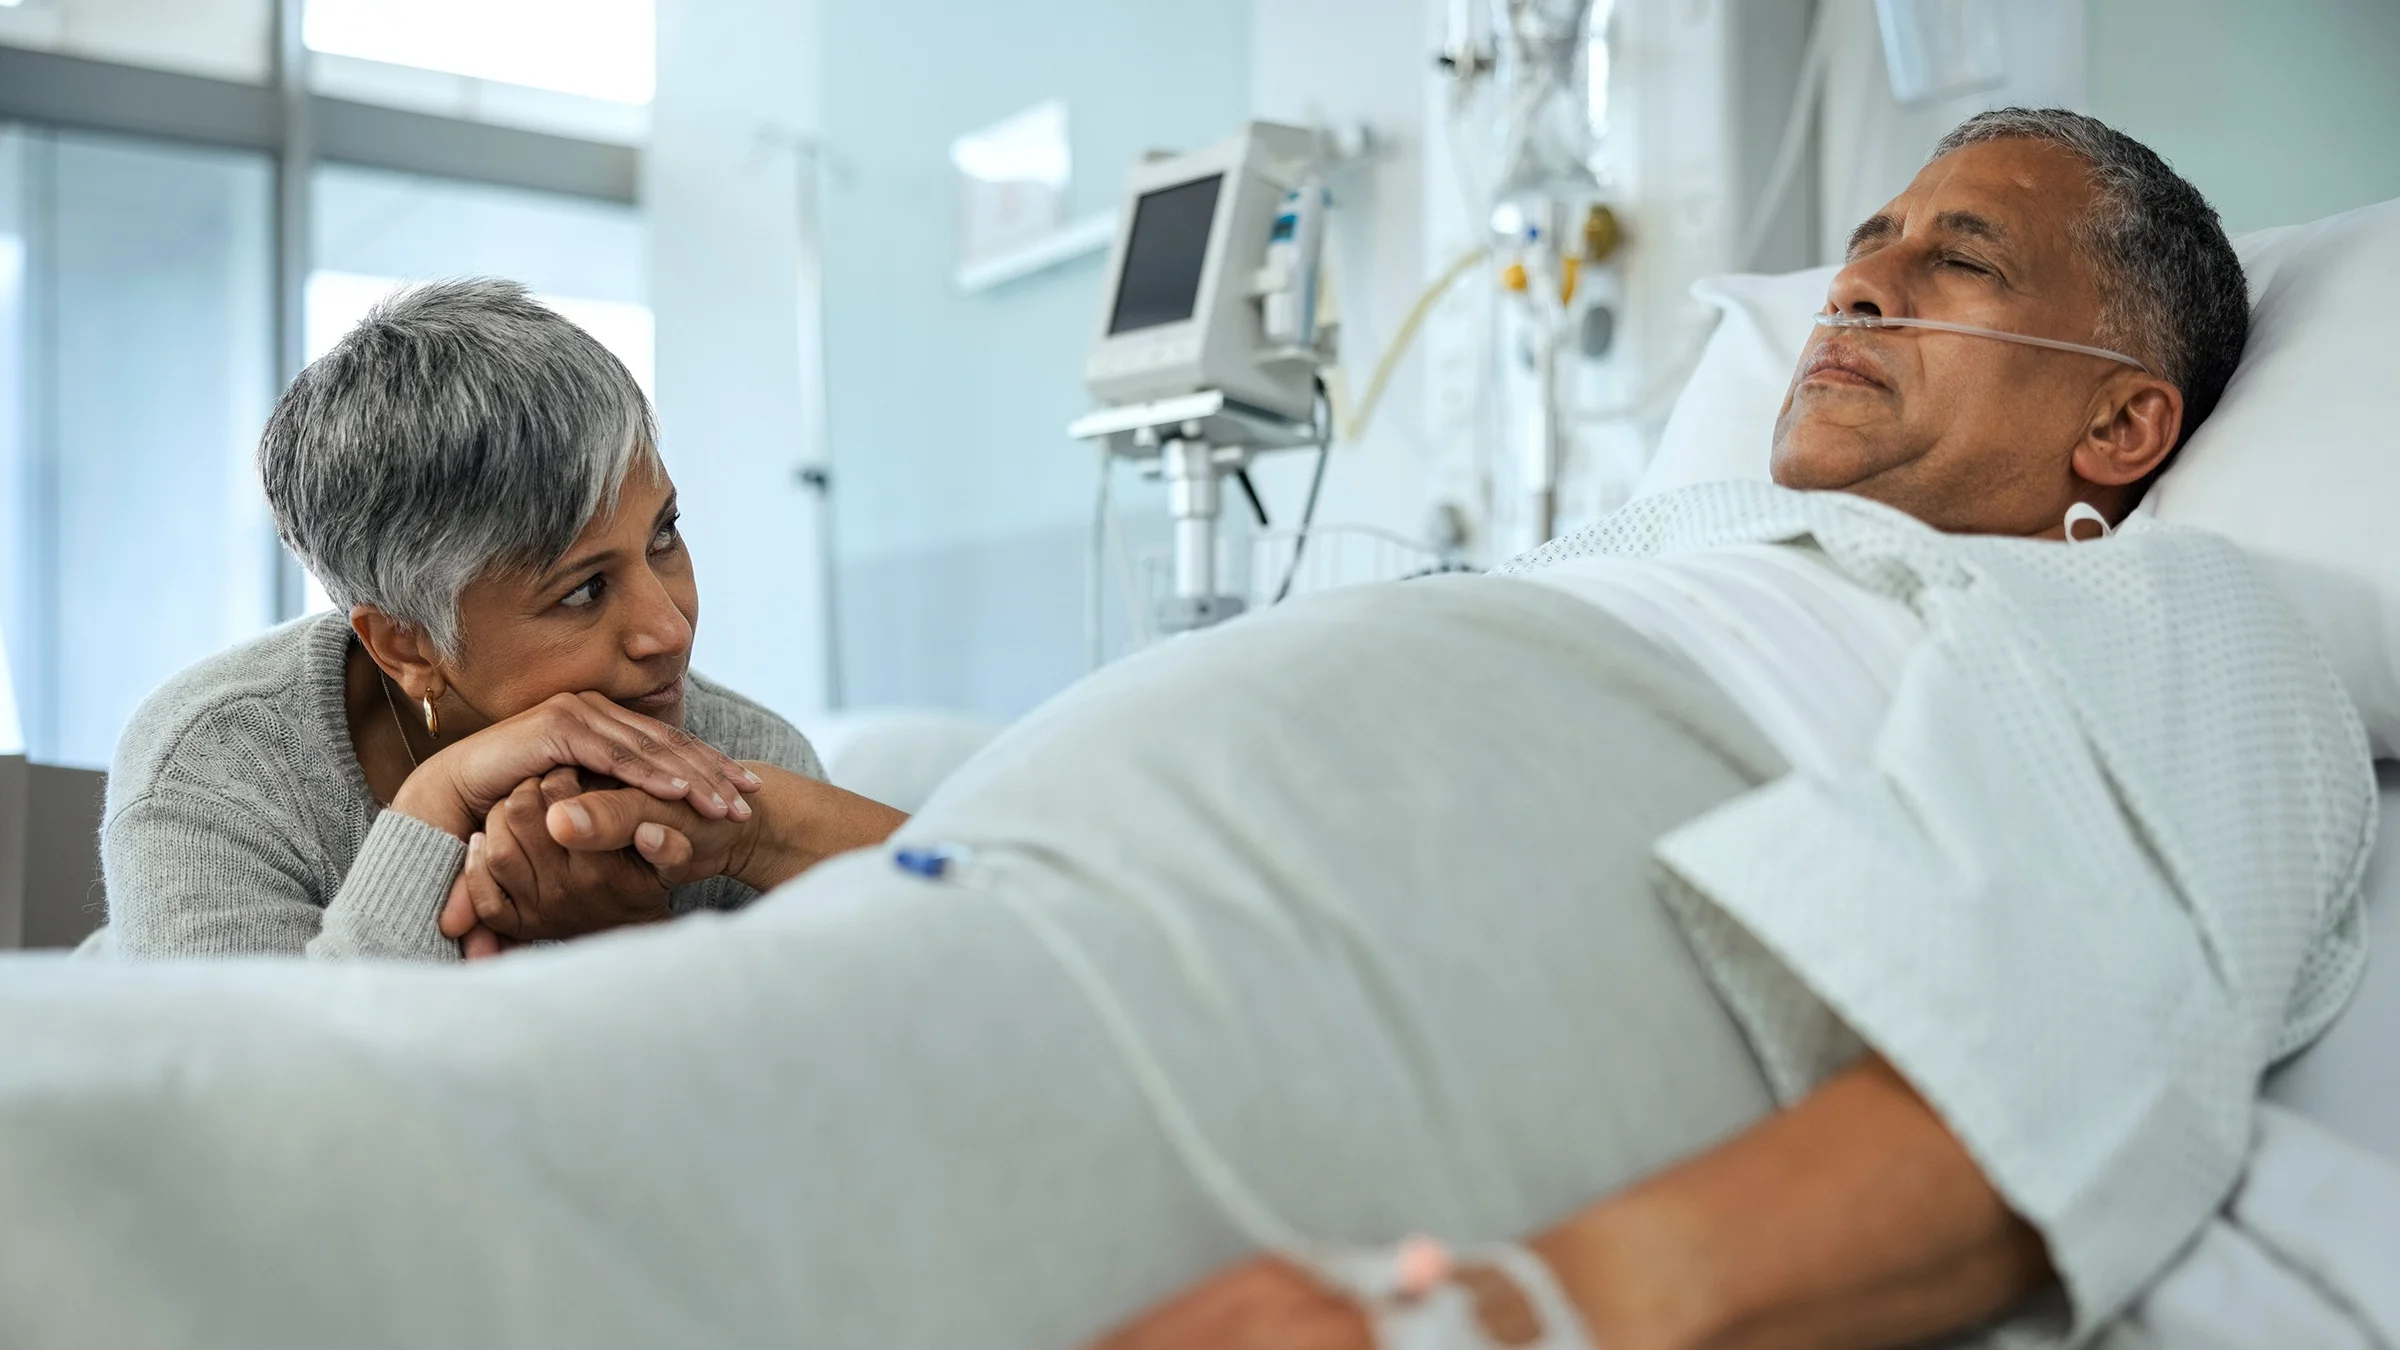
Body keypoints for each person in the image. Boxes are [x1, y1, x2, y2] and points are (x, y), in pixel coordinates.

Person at [0, 110, 2367, 1350]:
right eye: (1855, 241)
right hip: (1076, 889)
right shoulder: (1649, 548)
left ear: (2122, 418)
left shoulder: (2188, 616)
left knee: (274, 1187)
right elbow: (1002, 881)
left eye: (1952, 260)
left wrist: (1524, 1307)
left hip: (1363, 953)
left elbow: (2098, 1011)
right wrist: (739, 840)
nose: (1855, 275)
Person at [98, 280, 905, 961]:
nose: (669, 629)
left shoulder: (740, 770)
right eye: (582, 590)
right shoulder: (218, 762)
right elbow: (252, 1116)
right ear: (406, 643)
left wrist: (626, 942)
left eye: (662, 536)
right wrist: (435, 805)